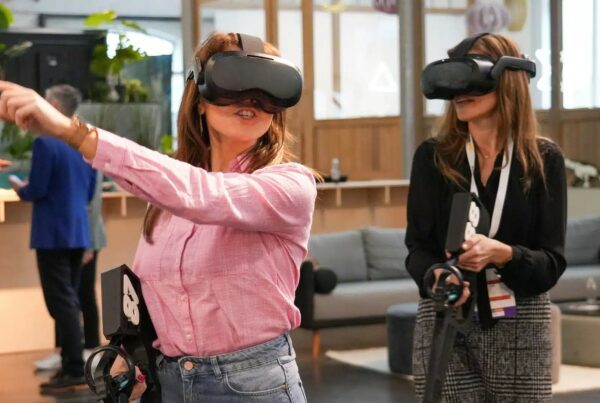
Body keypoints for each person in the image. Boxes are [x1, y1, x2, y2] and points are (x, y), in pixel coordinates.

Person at [0, 32, 315, 402]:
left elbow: (204, 194)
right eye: (234, 81)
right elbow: (151, 287)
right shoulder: (167, 199)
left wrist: (71, 131)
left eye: (267, 88)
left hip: (252, 386)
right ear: (200, 99)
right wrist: (133, 355)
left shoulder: (291, 186)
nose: (251, 99)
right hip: (169, 383)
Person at [406, 33, 566, 402]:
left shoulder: (543, 160)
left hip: (519, 323)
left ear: (507, 79)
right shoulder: (433, 157)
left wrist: (504, 254)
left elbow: (552, 263)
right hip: (445, 317)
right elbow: (417, 249)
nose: (459, 91)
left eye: (470, 74)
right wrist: (436, 275)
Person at [8, 84, 96, 392]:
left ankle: (73, 368)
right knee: (69, 299)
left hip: (52, 234)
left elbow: (37, 189)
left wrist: (21, 188)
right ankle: (72, 364)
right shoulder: (83, 145)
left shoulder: (45, 144)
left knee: (61, 302)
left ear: (55, 108)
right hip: (77, 231)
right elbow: (89, 192)